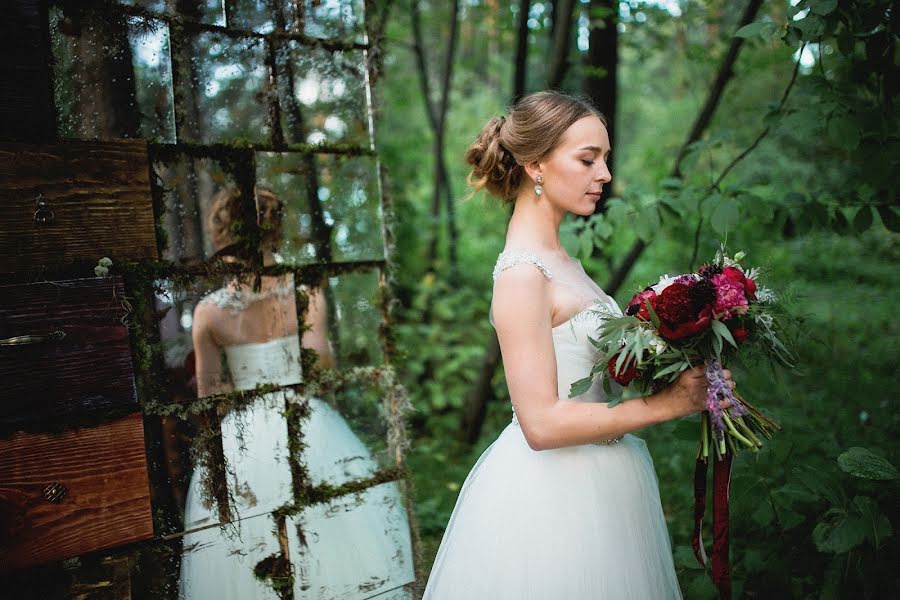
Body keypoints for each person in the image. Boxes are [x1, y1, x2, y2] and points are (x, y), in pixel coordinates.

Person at [422, 91, 735, 599]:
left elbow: (598, 367)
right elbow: (541, 424)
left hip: (611, 473)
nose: (605, 174)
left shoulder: (564, 261)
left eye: (605, 159)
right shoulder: (522, 274)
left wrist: (679, 361)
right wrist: (666, 405)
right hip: (555, 495)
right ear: (536, 164)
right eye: (588, 159)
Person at [179, 187, 414, 599]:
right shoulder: (306, 291)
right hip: (307, 421)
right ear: (274, 231)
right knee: (332, 532)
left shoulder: (209, 313)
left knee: (245, 544)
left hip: (243, 437)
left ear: (221, 237)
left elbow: (210, 393)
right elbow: (320, 365)